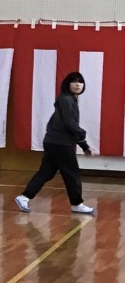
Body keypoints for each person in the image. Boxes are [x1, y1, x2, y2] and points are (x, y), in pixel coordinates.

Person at [15, 72, 95, 215]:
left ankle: (24, 197)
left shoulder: (68, 99)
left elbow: (67, 125)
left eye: (80, 82)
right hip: (61, 143)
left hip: (53, 141)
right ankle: (77, 204)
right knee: (72, 173)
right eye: (74, 81)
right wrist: (82, 134)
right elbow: (69, 123)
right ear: (67, 84)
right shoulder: (66, 100)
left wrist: (84, 146)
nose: (78, 84)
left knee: (46, 172)